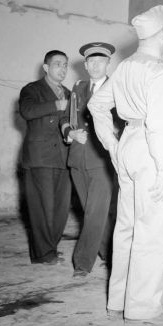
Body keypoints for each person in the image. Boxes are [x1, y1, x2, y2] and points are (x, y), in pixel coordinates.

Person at [88, 5, 163, 324]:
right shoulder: (157, 71)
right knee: (153, 230)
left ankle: (117, 302)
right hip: (150, 150)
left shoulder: (125, 67)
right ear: (162, 35)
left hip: (127, 143)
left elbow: (96, 104)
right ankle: (142, 308)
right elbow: (160, 126)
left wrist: (113, 145)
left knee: (126, 227)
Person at [60, 42, 119, 278]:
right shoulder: (78, 87)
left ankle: (83, 262)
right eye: (91, 61)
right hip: (77, 157)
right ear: (85, 65)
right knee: (91, 211)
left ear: (108, 64)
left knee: (95, 212)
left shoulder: (118, 87)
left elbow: (123, 122)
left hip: (103, 159)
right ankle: (109, 253)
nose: (95, 65)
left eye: (101, 61)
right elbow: (66, 117)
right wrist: (70, 133)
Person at [19, 50, 71, 265]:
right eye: (58, 64)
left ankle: (51, 247)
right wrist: (56, 106)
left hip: (63, 157)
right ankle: (42, 254)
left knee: (60, 208)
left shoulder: (69, 92)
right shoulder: (32, 89)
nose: (63, 68)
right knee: (42, 208)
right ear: (46, 67)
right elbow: (27, 111)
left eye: (65, 65)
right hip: (40, 157)